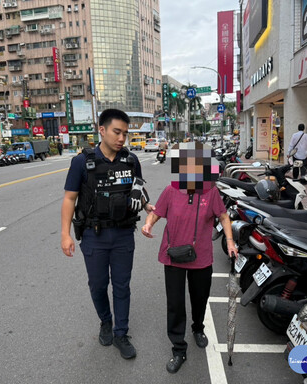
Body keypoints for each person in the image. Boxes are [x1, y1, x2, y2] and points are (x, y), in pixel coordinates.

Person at [61, 109, 154, 360]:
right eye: (117, 132)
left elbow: (139, 190)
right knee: (98, 285)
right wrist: (65, 234)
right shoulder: (83, 162)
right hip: (94, 235)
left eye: (125, 133)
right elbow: (70, 199)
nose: (122, 138)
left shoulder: (131, 160)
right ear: (101, 130)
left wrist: (146, 205)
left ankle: (121, 333)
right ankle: (105, 321)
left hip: (124, 234)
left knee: (122, 286)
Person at [141, 142, 237, 374]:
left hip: (201, 256)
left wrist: (231, 242)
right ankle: (178, 347)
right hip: (173, 255)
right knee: (175, 303)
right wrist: (148, 223)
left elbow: (223, 216)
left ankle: (198, 327)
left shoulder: (211, 192)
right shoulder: (171, 190)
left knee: (200, 297)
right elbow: (157, 212)